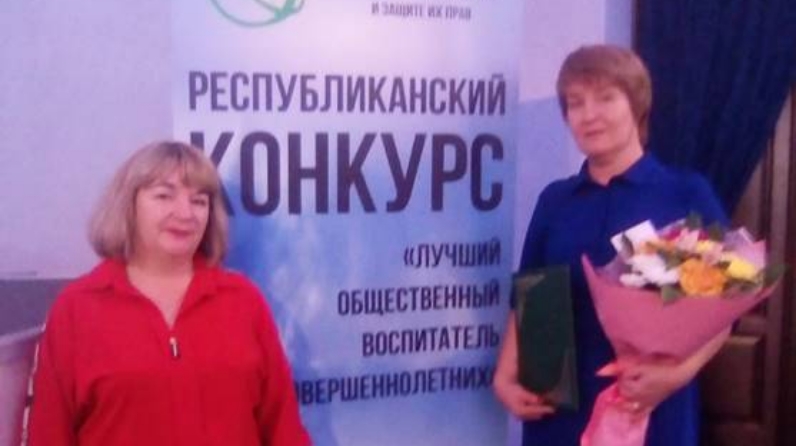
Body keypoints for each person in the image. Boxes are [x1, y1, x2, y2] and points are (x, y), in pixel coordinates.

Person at [492, 44, 730, 446]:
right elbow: (531, 292)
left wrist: (676, 376)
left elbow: (723, 309)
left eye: (605, 98)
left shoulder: (685, 193)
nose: (589, 114)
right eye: (575, 103)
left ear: (636, 105)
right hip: (559, 408)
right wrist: (506, 374)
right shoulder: (555, 201)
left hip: (650, 404)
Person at [24, 141, 311, 446]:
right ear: (128, 205)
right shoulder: (77, 308)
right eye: (164, 196)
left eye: (199, 201)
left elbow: (284, 430)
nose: (185, 213)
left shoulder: (243, 301)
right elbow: (49, 435)